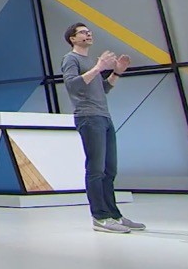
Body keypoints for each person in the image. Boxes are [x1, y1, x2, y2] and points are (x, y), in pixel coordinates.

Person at [61, 23, 146, 234]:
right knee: (96, 170)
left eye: (89, 31)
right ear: (72, 38)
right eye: (83, 32)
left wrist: (116, 73)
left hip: (104, 117)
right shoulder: (70, 59)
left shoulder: (90, 62)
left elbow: (102, 88)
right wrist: (98, 68)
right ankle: (99, 217)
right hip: (88, 117)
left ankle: (113, 215)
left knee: (110, 170)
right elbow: (72, 85)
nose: (88, 34)